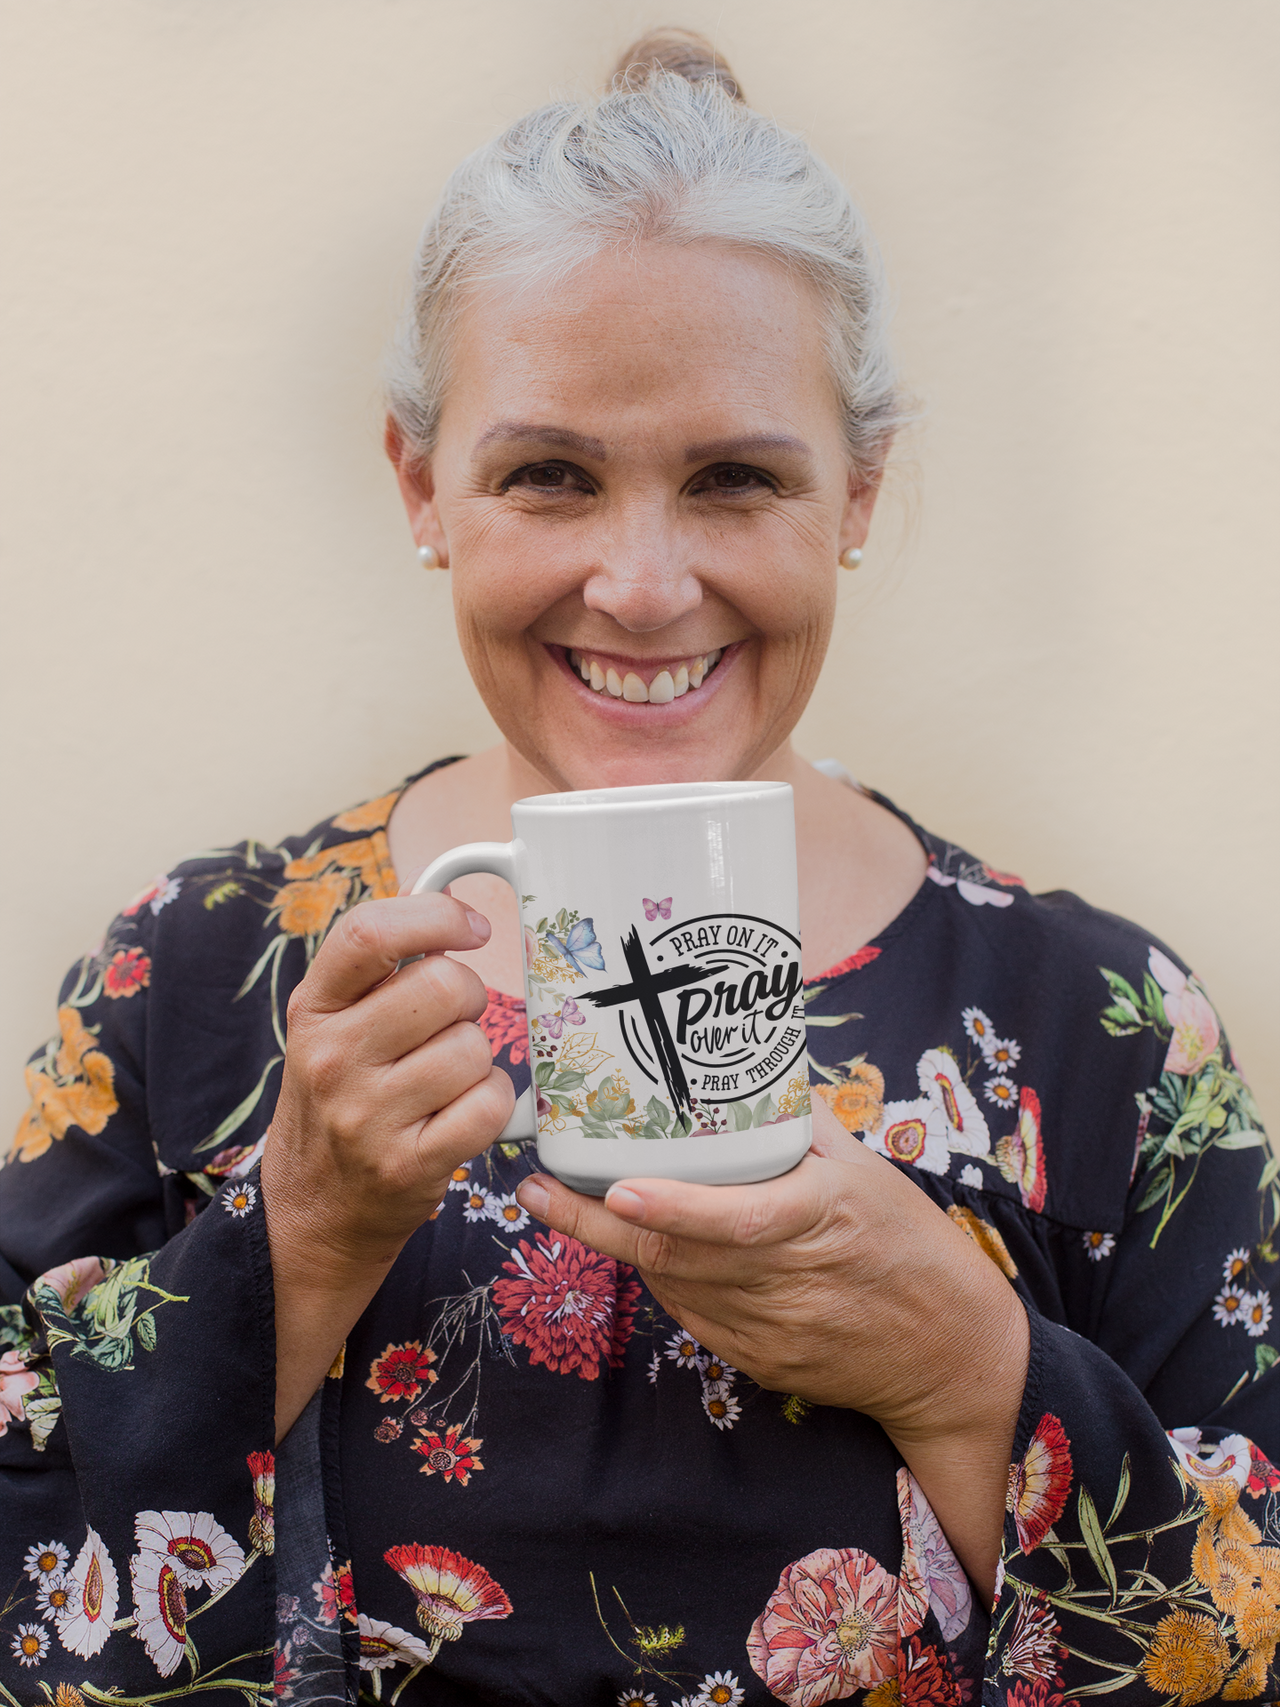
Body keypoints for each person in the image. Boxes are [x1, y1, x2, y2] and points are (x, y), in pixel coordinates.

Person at [1, 30, 1276, 1706]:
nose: (646, 583)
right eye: (550, 475)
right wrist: (296, 1232)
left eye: (737, 477)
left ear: (859, 492)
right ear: (422, 484)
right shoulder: (205, 973)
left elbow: (1243, 1634)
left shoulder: (1098, 1025)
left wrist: (970, 1369)